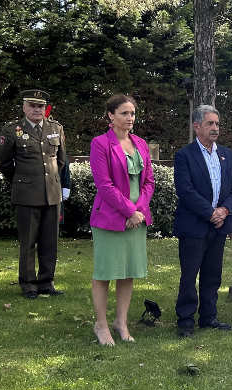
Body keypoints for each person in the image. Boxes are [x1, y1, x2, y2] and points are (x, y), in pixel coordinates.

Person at [88, 94, 155, 346]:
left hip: (137, 219)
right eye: (124, 113)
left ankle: (121, 322)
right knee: (105, 272)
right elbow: (104, 185)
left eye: (133, 114)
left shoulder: (140, 143)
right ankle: (101, 325)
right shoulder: (100, 144)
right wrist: (129, 211)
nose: (130, 118)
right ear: (111, 116)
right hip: (110, 218)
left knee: (128, 272)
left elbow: (148, 181)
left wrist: (138, 211)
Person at [172, 105, 232, 337]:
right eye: (210, 123)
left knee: (213, 274)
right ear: (197, 126)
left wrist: (224, 210)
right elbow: (186, 190)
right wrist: (210, 213)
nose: (215, 128)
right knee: (190, 274)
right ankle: (185, 320)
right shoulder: (184, 155)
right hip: (194, 225)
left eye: (217, 124)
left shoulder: (227, 154)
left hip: (220, 225)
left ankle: (208, 317)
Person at [0, 89, 68, 299]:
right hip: (27, 193)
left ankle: (47, 281)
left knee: (50, 240)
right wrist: (22, 180)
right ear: (24, 107)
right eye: (32, 105)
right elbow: (4, 162)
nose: (37, 110)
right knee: (28, 241)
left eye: (40, 106)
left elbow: (61, 160)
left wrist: (53, 181)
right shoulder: (12, 130)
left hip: (52, 194)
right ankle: (28, 283)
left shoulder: (56, 128)